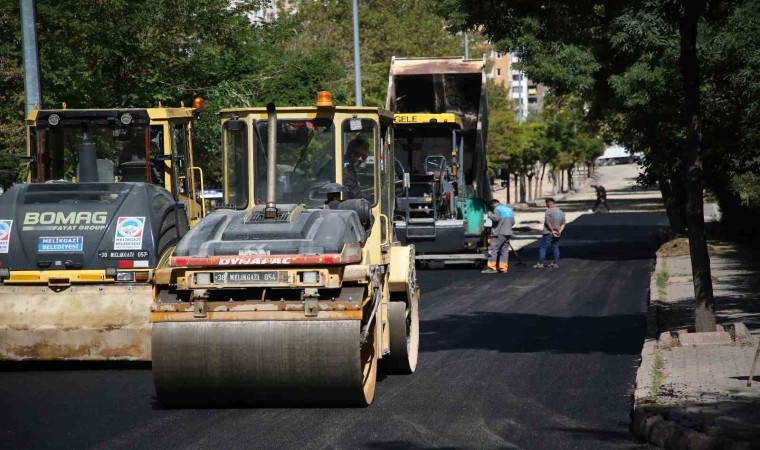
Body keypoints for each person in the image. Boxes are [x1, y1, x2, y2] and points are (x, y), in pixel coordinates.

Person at [482, 199, 514, 274]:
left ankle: (491, 267)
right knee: (504, 250)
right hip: (508, 232)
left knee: (493, 249)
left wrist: (489, 214)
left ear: (493, 204)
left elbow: (495, 218)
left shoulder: (497, 209)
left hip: (499, 233)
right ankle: (503, 267)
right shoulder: (509, 209)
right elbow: (513, 222)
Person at [534, 197, 565, 269]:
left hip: (548, 233)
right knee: (555, 247)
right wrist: (559, 231)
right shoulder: (561, 212)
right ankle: (554, 263)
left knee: (543, 247)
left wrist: (552, 230)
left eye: (546, 203)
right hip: (557, 233)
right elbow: (563, 223)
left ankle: (540, 263)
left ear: (548, 203)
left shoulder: (548, 211)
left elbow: (548, 223)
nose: (546, 205)